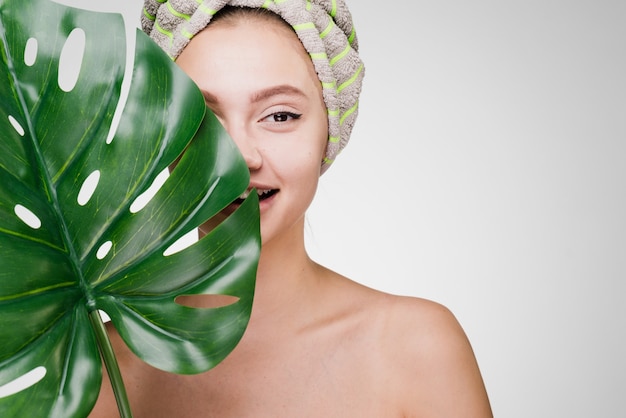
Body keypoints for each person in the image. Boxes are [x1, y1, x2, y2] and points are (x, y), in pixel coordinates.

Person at [91, 0, 492, 416]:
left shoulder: (414, 349)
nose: (241, 155)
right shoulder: (98, 368)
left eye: (279, 115)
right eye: (202, 118)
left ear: (330, 129)